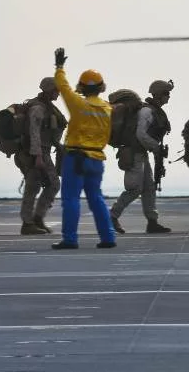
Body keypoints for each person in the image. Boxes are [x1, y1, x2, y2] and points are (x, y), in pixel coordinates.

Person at [51, 47, 117, 249]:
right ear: (102, 87)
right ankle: (108, 238)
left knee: (71, 199)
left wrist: (59, 67)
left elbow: (63, 87)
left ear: (81, 87)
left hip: (76, 158)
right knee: (96, 198)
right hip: (96, 159)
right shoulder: (107, 108)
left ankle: (70, 239)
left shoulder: (79, 105)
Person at [110, 80, 173, 235]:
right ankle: (111, 216)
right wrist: (156, 147)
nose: (168, 97)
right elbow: (141, 134)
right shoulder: (147, 112)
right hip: (134, 153)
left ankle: (152, 221)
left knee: (149, 187)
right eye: (166, 93)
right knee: (135, 189)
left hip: (141, 153)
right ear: (158, 94)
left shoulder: (153, 110)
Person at [18, 77, 66, 235]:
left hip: (42, 152)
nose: (58, 93)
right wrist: (37, 156)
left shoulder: (48, 107)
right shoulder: (38, 108)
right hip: (33, 153)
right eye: (55, 90)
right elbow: (34, 133)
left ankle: (37, 218)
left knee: (50, 185)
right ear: (48, 90)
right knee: (33, 187)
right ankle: (28, 223)